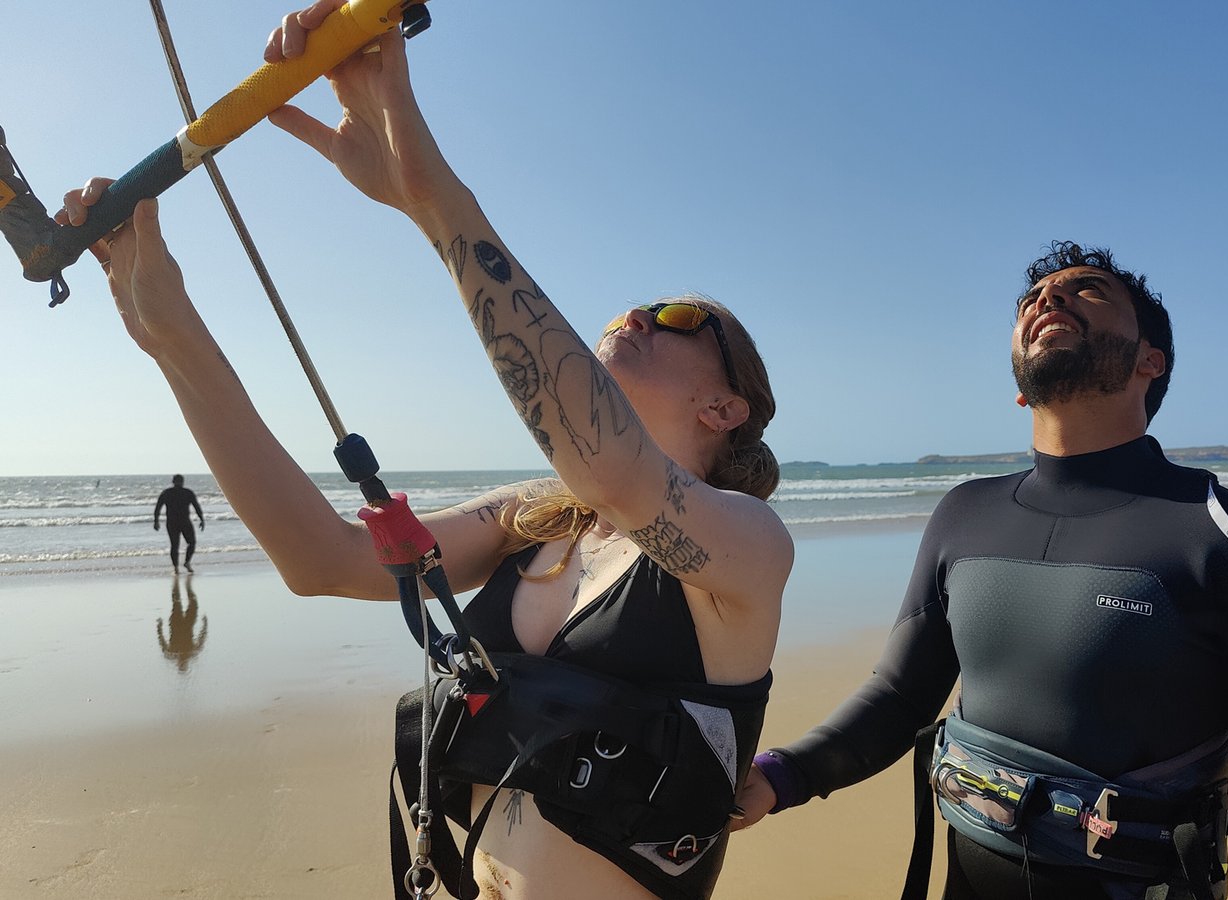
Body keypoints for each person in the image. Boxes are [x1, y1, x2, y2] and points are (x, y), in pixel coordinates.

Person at [58, 3, 792, 897]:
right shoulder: (536, 518)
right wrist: (167, 326)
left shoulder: (749, 552)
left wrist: (428, 191)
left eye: (680, 318)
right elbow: (321, 559)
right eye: (618, 315)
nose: (634, 316)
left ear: (726, 404)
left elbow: (613, 467)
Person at [733, 242, 1228, 899]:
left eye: (1088, 291)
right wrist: (780, 775)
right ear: (1018, 384)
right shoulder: (962, 514)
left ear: (1152, 360)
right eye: (1033, 299)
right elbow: (899, 696)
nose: (1048, 300)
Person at [153, 473, 204, 573]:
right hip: (184, 521)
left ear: (173, 482)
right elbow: (196, 507)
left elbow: (158, 508)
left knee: (175, 545)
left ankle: (176, 567)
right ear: (182, 482)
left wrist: (156, 521)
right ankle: (186, 563)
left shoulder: (166, 493)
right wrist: (201, 519)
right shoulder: (187, 492)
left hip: (172, 522)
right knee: (191, 543)